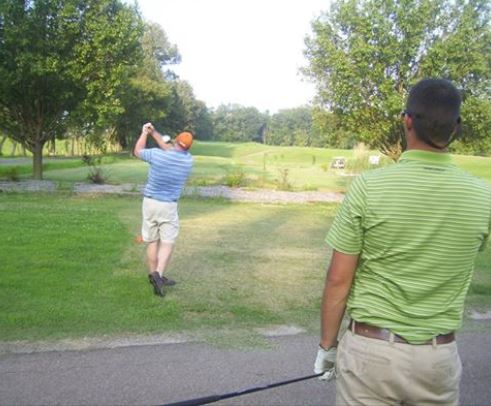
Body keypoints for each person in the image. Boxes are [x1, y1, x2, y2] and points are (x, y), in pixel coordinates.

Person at [314, 79, 491, 405]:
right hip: (437, 359)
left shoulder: (368, 187)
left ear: (406, 120)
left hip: (370, 354)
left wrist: (327, 347)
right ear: (456, 127)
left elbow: (338, 280)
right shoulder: (483, 197)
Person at [134, 123, 193, 297]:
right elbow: (170, 149)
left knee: (152, 241)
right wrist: (155, 134)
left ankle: (155, 275)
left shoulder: (156, 155)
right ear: (188, 147)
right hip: (168, 206)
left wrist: (145, 133)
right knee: (167, 242)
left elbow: (137, 151)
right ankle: (158, 275)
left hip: (150, 203)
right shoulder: (188, 160)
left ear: (175, 141)